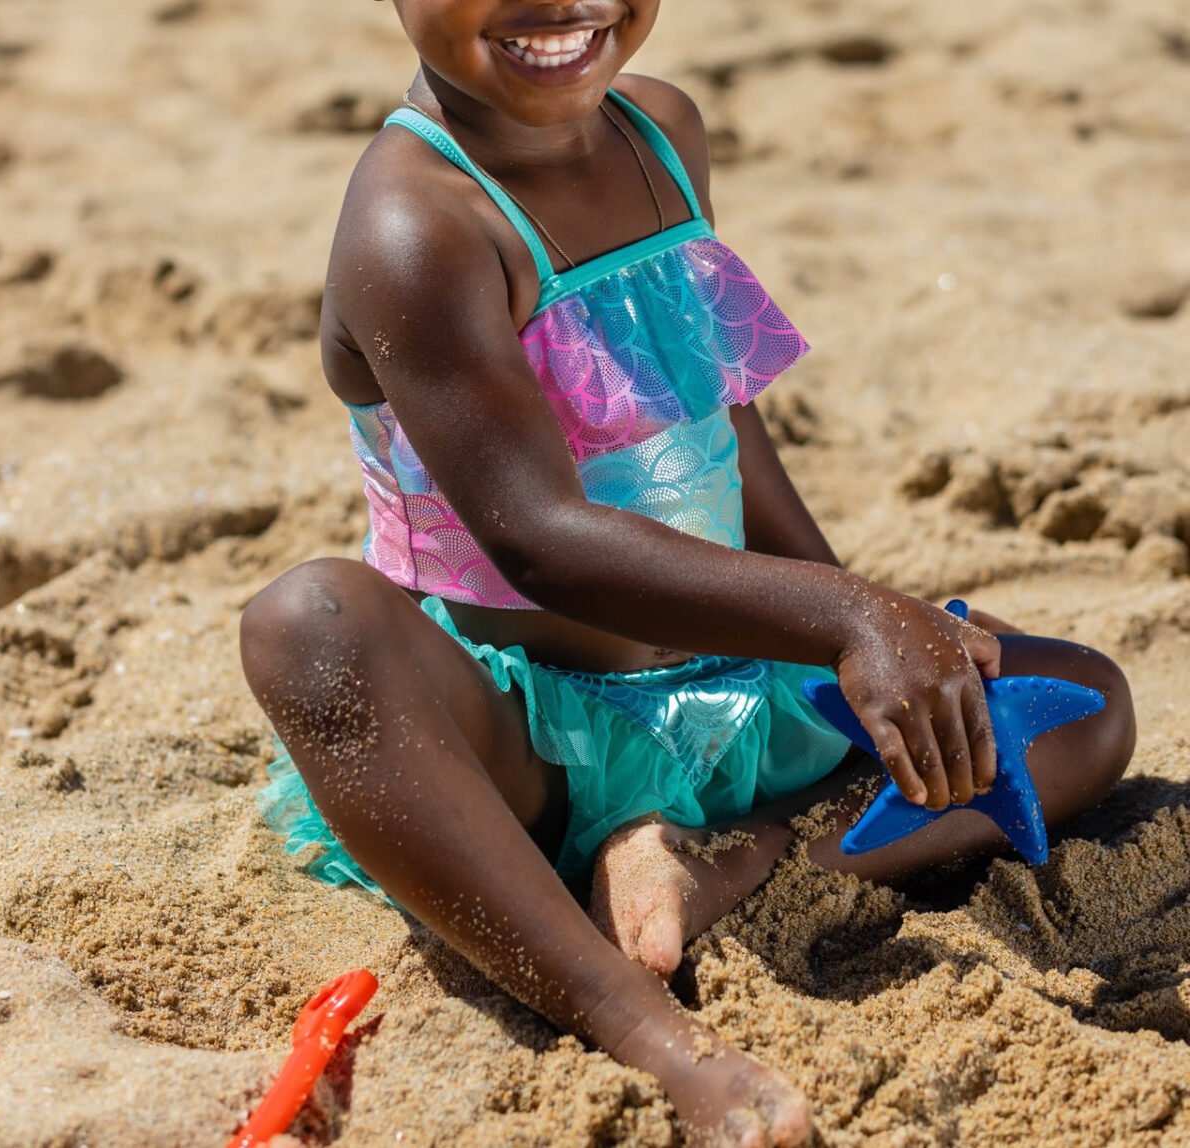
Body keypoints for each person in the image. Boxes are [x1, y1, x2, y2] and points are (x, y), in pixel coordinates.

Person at [239, 2, 1136, 1143]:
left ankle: (719, 863)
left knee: (1081, 702)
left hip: (735, 699)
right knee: (310, 623)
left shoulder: (661, 133)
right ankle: (643, 1026)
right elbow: (538, 537)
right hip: (529, 749)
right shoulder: (417, 224)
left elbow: (712, 409)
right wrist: (848, 615)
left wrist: (853, 623)